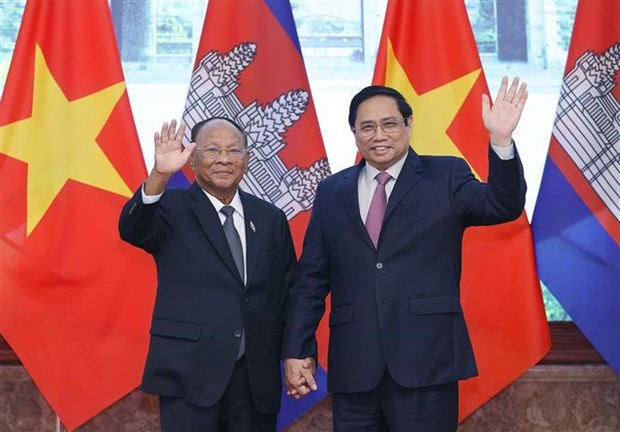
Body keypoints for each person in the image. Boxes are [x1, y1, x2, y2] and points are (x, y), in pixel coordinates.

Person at [281, 77, 529, 431]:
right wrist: (296, 347)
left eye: (389, 123)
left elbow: (502, 205)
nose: (378, 135)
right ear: (354, 132)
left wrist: (501, 140)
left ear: (409, 125)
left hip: (426, 362)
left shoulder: (446, 174)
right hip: (355, 367)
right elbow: (310, 279)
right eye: (367, 127)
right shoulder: (332, 191)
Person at [119, 117, 296, 432]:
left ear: (247, 159)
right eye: (212, 150)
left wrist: (297, 353)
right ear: (193, 158)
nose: (224, 159)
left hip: (255, 376)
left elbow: (289, 292)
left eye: (233, 150)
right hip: (190, 372)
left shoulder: (270, 217)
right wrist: (160, 174)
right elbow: (133, 229)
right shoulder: (170, 207)